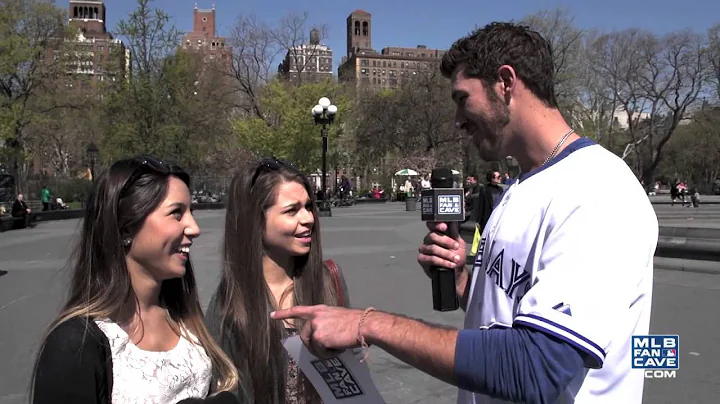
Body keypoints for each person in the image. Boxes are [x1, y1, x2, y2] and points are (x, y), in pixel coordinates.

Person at [271, 22, 658, 404]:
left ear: (505, 83)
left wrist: (367, 323)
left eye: (462, 98)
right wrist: (463, 285)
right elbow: (513, 311)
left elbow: (535, 368)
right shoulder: (521, 186)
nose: (457, 120)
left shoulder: (598, 190)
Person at [31, 155, 241, 404]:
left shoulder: (188, 321)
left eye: (191, 212)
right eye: (176, 213)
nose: (194, 228)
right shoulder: (74, 345)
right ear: (125, 227)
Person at [205, 158, 350, 404]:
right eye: (291, 210)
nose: (308, 219)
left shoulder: (328, 280)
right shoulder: (229, 305)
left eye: (307, 206)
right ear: (255, 221)